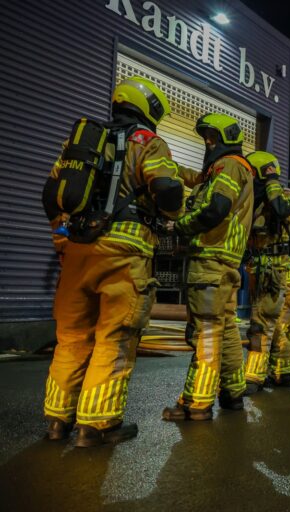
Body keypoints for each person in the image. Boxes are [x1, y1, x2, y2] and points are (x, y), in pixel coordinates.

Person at [41, 76, 184, 445]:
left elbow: (52, 195)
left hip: (76, 251)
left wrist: (62, 235)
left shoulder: (85, 142)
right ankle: (97, 425)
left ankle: (58, 421)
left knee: (71, 338)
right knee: (114, 339)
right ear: (149, 109)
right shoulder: (148, 143)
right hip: (125, 252)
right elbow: (167, 189)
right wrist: (175, 211)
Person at [162, 113, 254, 421]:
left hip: (211, 262)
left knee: (205, 332)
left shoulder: (229, 166)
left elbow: (216, 208)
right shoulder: (228, 168)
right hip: (225, 262)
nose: (208, 142)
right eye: (206, 137)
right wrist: (165, 166)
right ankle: (233, 392)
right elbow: (195, 179)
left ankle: (196, 402)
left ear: (226, 137)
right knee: (225, 329)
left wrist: (181, 227)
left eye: (212, 137)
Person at [242, 151, 290, 389]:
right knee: (271, 323)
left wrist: (272, 181)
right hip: (260, 267)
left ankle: (254, 377)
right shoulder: (256, 199)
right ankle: (285, 371)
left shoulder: (285, 196)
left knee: (261, 324)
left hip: (274, 269)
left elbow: (280, 210)